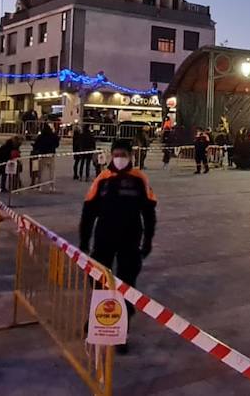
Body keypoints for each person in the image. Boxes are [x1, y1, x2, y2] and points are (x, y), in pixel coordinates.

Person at [79, 140, 157, 355]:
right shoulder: (103, 179)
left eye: (123, 154)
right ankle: (98, 321)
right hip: (104, 238)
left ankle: (121, 331)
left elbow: (149, 213)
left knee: (127, 285)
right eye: (116, 154)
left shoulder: (139, 179)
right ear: (111, 155)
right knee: (99, 282)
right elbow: (88, 212)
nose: (119, 158)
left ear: (131, 155)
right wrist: (84, 241)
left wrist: (148, 240)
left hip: (131, 239)